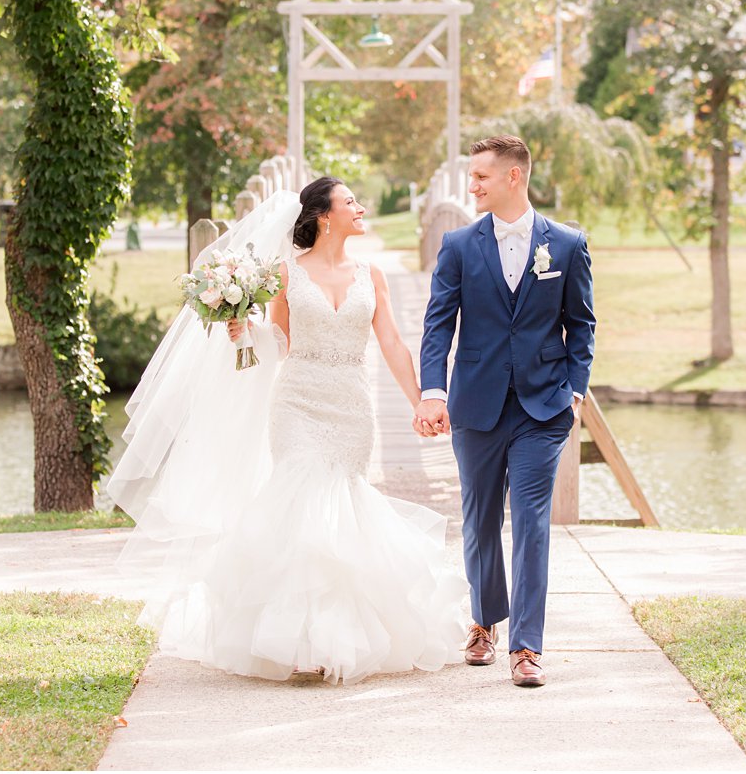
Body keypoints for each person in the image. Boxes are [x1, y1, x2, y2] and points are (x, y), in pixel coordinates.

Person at [105, 177, 467, 685]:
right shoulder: (284, 274)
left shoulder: (373, 275)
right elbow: (278, 338)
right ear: (323, 215)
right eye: (350, 203)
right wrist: (242, 331)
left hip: (351, 405)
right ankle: (300, 644)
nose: (361, 208)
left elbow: (392, 344)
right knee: (302, 499)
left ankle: (333, 635)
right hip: (297, 402)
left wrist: (422, 403)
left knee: (342, 505)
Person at [414, 134, 595, 688]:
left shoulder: (565, 244)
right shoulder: (459, 245)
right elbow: (438, 323)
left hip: (543, 407)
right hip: (477, 404)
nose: (472, 186)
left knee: (533, 523)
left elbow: (582, 322)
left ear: (513, 177)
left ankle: (526, 646)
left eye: (481, 177)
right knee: (480, 520)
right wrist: (432, 391)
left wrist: (574, 389)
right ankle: (484, 622)